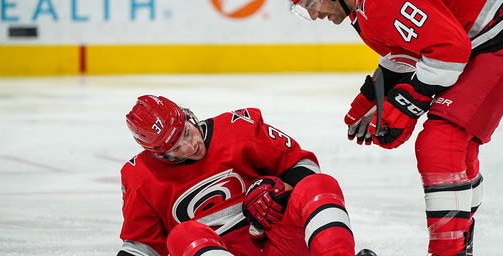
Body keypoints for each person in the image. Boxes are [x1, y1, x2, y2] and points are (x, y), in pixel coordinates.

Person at [280, 0, 503, 256]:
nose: (314, 15)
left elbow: (450, 52)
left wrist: (406, 105)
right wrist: (373, 96)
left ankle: (448, 250)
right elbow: (409, 47)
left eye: (312, 1)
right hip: (492, 31)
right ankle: (459, 239)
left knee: (441, 139)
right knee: (455, 142)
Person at [117, 94, 376, 256]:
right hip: (219, 247)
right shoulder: (141, 178)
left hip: (280, 244)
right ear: (159, 155)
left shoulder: (239, 129)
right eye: (175, 150)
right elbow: (143, 247)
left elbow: (306, 166)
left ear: (188, 116)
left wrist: (280, 190)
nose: (190, 146)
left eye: (186, 132)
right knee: (182, 235)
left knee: (320, 184)